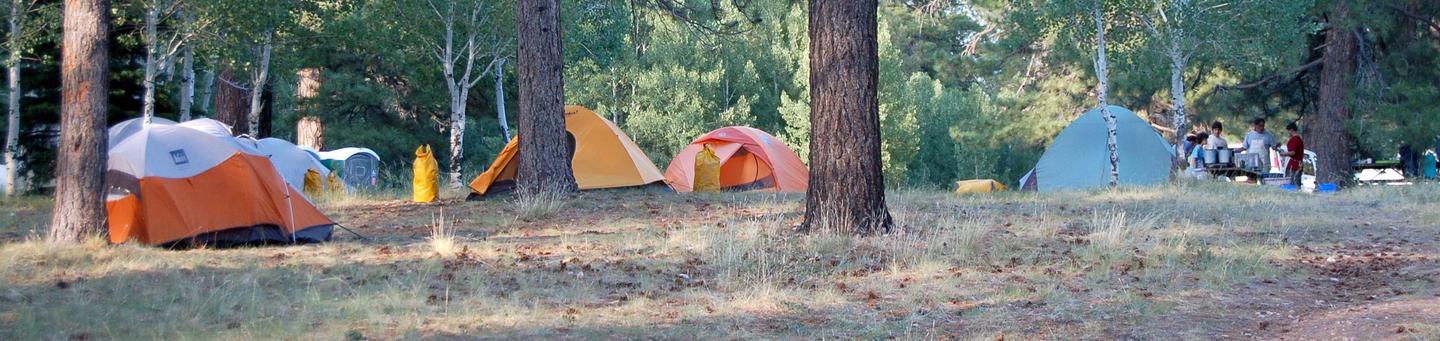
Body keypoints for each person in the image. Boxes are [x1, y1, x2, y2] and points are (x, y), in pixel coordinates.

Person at [1282, 121, 1304, 187]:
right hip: (1299, 163)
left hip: (1293, 164)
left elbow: (1293, 152)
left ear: (1291, 130)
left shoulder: (1294, 139)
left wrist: (1284, 154)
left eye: (1288, 131)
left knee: (1290, 181)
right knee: (1297, 181)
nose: (1288, 133)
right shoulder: (1299, 139)